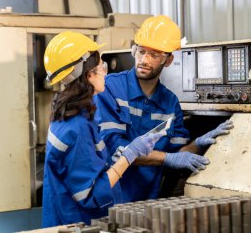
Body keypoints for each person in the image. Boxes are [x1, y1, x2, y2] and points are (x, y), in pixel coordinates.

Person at [94, 15, 234, 203]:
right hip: (109, 201)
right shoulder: (110, 88)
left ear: (168, 60)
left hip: (148, 203)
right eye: (141, 51)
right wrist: (167, 158)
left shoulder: (170, 103)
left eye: (154, 54)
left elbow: (177, 155)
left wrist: (199, 144)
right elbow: (117, 150)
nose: (144, 59)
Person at [41, 31, 164, 227]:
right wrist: (129, 156)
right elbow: (90, 195)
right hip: (77, 223)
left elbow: (82, 165)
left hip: (65, 217)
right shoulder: (78, 126)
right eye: (102, 67)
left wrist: (111, 160)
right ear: (88, 74)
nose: (106, 73)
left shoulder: (70, 112)